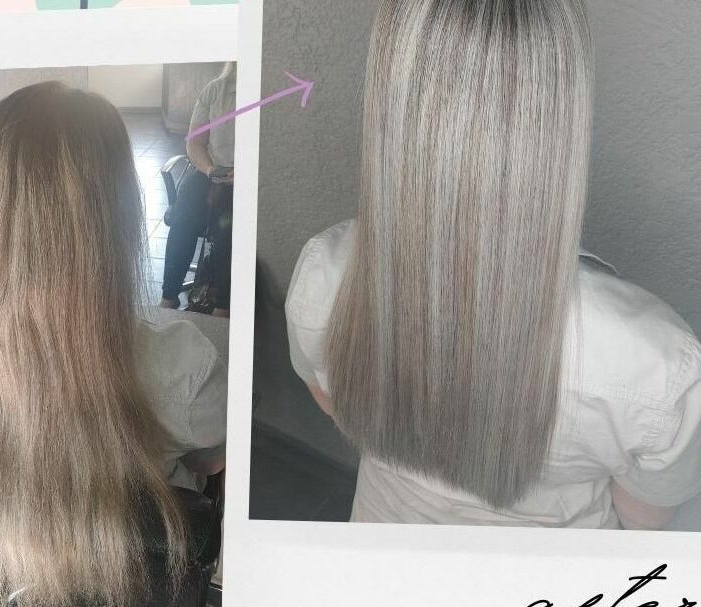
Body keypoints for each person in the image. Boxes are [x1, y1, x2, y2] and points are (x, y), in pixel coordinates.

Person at [285, 0, 701, 530]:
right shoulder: (655, 368)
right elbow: (642, 523)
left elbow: (335, 407)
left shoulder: (323, 277)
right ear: (562, 110)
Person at [0, 81, 227, 607]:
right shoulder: (185, 365)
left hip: (18, 560)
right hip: (133, 577)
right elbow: (210, 461)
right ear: (118, 216)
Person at [161, 62, 236, 317]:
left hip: (246, 180)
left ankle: (222, 306)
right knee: (183, 217)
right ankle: (169, 296)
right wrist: (210, 170)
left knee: (226, 227)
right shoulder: (214, 91)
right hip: (211, 170)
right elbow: (195, 143)